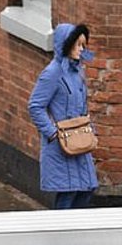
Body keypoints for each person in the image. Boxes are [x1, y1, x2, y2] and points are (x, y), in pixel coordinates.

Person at [28, 22, 99, 209]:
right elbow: (36, 106)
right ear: (66, 45)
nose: (81, 50)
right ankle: (61, 234)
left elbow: (82, 105)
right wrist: (52, 133)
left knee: (86, 188)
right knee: (68, 192)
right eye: (77, 45)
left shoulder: (77, 72)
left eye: (83, 45)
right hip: (61, 143)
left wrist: (90, 129)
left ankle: (74, 232)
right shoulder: (52, 73)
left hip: (79, 140)